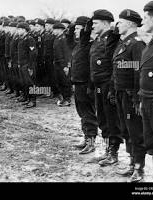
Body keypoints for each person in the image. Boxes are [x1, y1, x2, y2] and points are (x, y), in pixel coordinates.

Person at [113, 9, 146, 182]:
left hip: (130, 96)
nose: (117, 25)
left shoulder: (136, 44)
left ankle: (139, 169)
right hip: (121, 94)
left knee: (135, 132)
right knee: (126, 130)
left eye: (121, 22)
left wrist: (136, 99)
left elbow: (138, 72)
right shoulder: (123, 43)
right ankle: (133, 164)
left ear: (131, 24)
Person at [88, 10, 123, 166]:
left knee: (111, 120)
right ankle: (107, 150)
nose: (92, 26)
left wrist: (112, 88)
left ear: (105, 23)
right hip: (98, 85)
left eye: (95, 23)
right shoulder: (97, 39)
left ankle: (114, 153)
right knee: (102, 119)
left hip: (108, 85)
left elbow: (114, 64)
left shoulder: (112, 39)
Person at [139, 0, 153, 182]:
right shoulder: (151, 44)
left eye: (145, 18)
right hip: (147, 100)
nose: (143, 22)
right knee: (151, 142)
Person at [71, 16, 98, 154]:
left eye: (77, 28)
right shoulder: (79, 44)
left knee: (88, 114)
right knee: (82, 113)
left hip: (86, 85)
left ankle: (91, 142)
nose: (75, 30)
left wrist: (86, 26)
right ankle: (86, 137)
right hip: (78, 83)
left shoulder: (89, 44)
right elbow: (70, 32)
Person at [53, 22, 72, 107]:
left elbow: (67, 53)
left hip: (62, 64)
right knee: (59, 81)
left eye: (55, 29)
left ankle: (67, 99)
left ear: (60, 30)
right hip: (57, 63)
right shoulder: (57, 38)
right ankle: (63, 98)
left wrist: (66, 66)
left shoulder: (64, 39)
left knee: (65, 82)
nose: (53, 31)